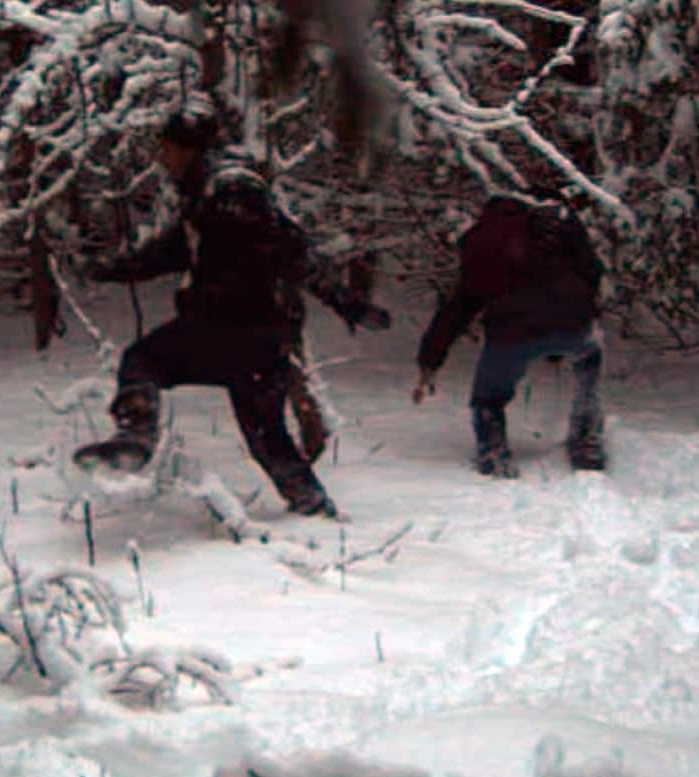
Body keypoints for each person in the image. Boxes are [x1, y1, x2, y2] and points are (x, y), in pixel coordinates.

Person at [75, 99, 391, 517]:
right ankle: (314, 509)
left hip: (231, 326)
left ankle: (136, 438)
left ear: (189, 148)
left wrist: (344, 301)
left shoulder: (231, 191)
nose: (161, 159)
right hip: (260, 338)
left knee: (143, 361)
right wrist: (111, 269)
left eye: (166, 149)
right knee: (266, 435)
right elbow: (174, 251)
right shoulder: (208, 193)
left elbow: (289, 249)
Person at [412, 189, 606, 478]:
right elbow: (593, 271)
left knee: (488, 399)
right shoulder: (561, 222)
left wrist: (430, 360)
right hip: (573, 324)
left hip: (511, 334)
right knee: (590, 360)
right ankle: (586, 441)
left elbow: (460, 306)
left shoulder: (481, 239)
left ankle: (494, 455)